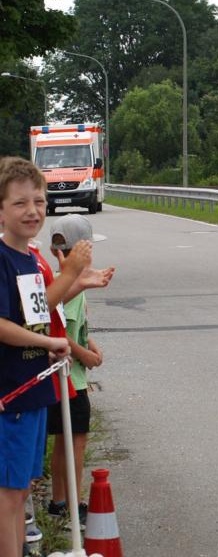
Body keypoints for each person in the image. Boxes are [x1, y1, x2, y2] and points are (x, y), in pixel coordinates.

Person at [0, 157, 92, 557]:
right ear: (1, 210)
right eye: (19, 203)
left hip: (35, 392)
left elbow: (36, 317)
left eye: (38, 201)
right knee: (8, 496)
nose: (32, 211)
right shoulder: (3, 258)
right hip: (12, 395)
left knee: (21, 490)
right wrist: (53, 343)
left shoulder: (30, 259)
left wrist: (75, 282)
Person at [46, 214, 106, 530]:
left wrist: (90, 344)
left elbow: (74, 328)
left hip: (68, 376)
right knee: (75, 443)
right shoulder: (68, 286)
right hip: (70, 377)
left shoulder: (64, 283)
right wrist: (87, 356)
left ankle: (59, 501)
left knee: (64, 440)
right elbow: (58, 332)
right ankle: (72, 504)